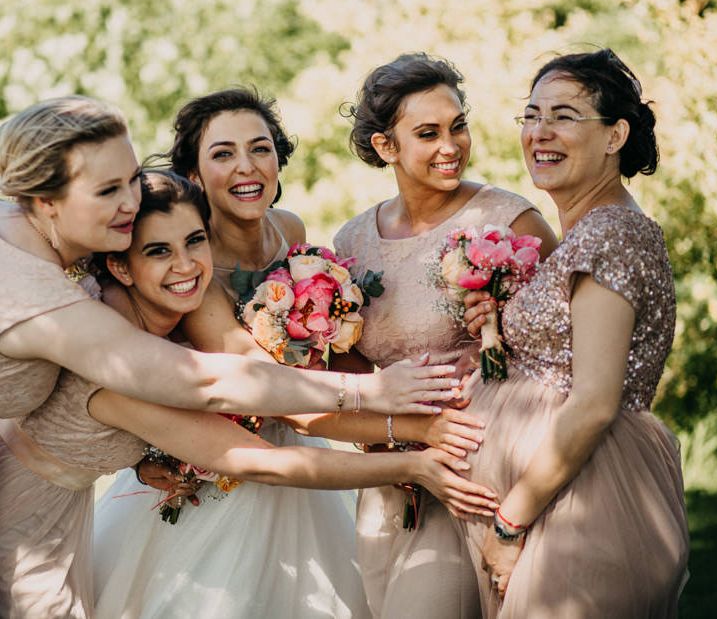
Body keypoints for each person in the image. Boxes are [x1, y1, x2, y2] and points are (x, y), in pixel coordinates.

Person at [0, 167, 491, 618]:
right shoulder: (114, 363)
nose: (186, 265)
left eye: (195, 241)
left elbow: (247, 380)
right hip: (25, 521)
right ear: (121, 268)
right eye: (158, 251)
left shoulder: (173, 315)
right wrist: (404, 449)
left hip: (71, 506)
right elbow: (253, 455)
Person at [0, 95, 459, 421]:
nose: (131, 202)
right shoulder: (41, 289)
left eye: (132, 179)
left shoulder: (290, 231)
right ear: (45, 200)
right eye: (107, 189)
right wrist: (373, 396)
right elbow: (215, 380)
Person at [458, 49, 689, 618]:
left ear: (615, 136)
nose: (540, 132)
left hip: (585, 502)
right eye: (531, 115)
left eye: (563, 115)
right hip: (553, 500)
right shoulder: (590, 232)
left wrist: (511, 524)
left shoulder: (610, 235)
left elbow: (591, 404)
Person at [331, 53, 558, 619]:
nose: (450, 145)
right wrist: (385, 432)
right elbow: (347, 361)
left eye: (458, 126)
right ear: (387, 147)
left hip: (475, 479)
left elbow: (563, 353)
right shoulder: (353, 240)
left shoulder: (510, 223)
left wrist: (498, 336)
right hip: (387, 479)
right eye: (428, 133)